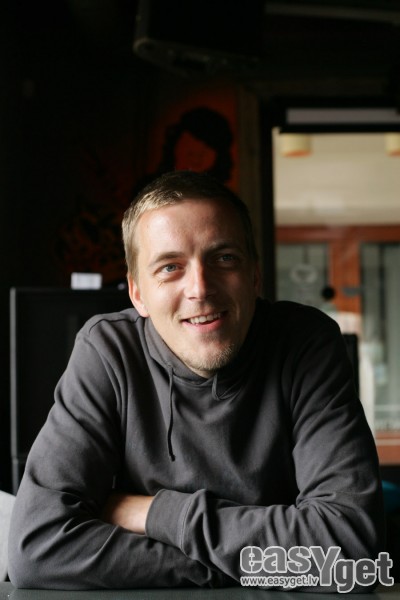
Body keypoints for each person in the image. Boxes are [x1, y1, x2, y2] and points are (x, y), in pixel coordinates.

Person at [8, 171, 384, 591]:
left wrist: (154, 514)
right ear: (137, 293)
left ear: (255, 276)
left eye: (224, 258)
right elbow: (36, 549)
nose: (200, 289)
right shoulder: (107, 352)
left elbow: (351, 549)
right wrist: (241, 569)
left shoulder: (305, 342)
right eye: (170, 267)